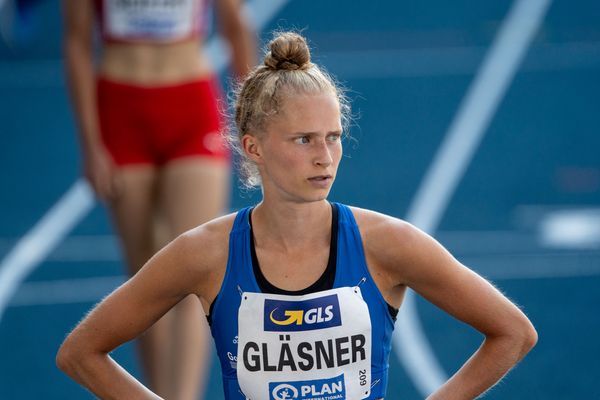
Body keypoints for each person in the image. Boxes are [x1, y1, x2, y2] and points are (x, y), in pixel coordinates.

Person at [57, 31, 537, 400]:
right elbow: (80, 353)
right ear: (254, 147)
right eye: (303, 140)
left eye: (333, 136)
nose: (324, 157)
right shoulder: (205, 252)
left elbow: (513, 332)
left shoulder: (387, 244)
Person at [62, 1, 255, 399]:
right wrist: (90, 144)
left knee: (192, 272)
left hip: (191, 106)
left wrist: (250, 126)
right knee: (145, 281)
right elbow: (77, 42)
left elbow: (235, 25)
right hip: (121, 108)